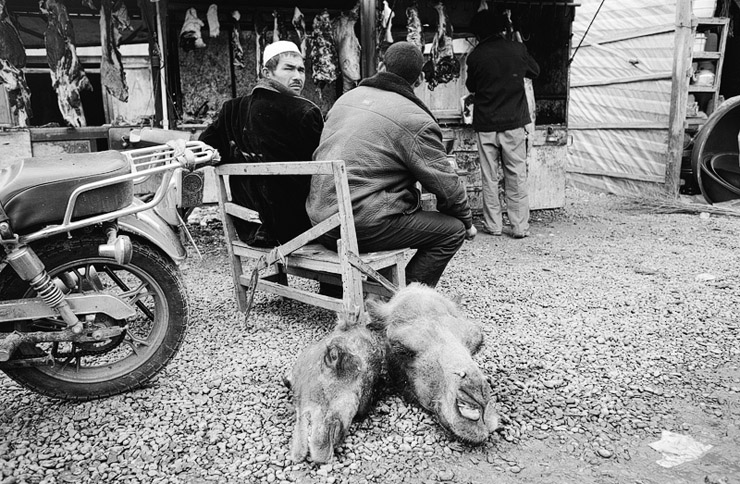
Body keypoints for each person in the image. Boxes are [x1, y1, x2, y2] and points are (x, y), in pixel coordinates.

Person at [306, 41, 476, 288]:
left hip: (320, 220)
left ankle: (336, 287)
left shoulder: (345, 99)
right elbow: (446, 186)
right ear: (418, 81)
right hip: (361, 227)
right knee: (452, 231)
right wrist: (467, 222)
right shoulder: (416, 119)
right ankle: (400, 298)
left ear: (382, 66)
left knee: (372, 200)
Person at [199, 40, 323, 247]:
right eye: (289, 69)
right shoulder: (304, 111)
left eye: (301, 70)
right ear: (267, 72)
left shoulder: (231, 110)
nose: (298, 77)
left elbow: (206, 149)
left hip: (248, 225)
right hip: (298, 228)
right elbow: (324, 174)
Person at [465, 9, 540, 239]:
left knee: (489, 176)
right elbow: (535, 71)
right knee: (515, 175)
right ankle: (518, 227)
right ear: (501, 28)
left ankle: (494, 226)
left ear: (478, 33)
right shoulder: (517, 50)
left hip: (486, 125)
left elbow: (472, 87)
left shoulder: (475, 55)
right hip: (513, 123)